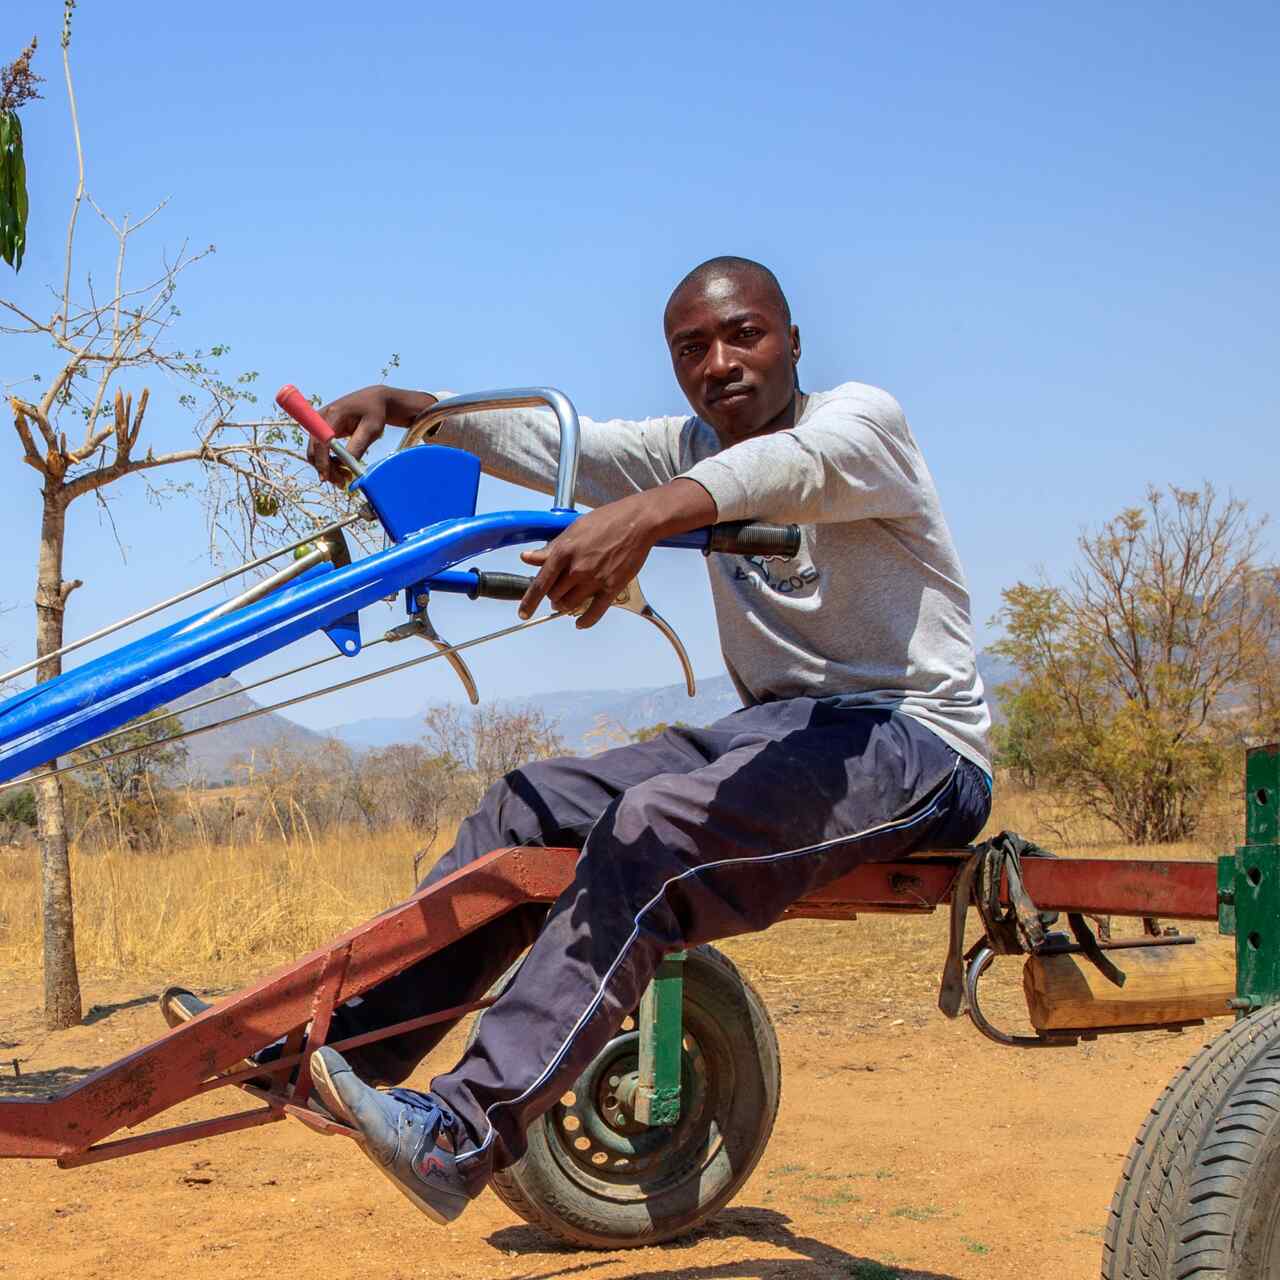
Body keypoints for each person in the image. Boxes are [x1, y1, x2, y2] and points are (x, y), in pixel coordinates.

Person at [167, 256, 991, 1226]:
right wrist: (403, 407)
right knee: (528, 805)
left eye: (744, 336)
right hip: (775, 729)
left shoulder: (858, 424)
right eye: (693, 348)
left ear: (793, 340)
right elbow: (564, 446)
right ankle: (348, 1050)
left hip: (913, 742)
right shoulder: (688, 449)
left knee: (655, 829)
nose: (719, 362)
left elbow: (783, 472)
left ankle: (459, 1132)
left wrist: (645, 515)